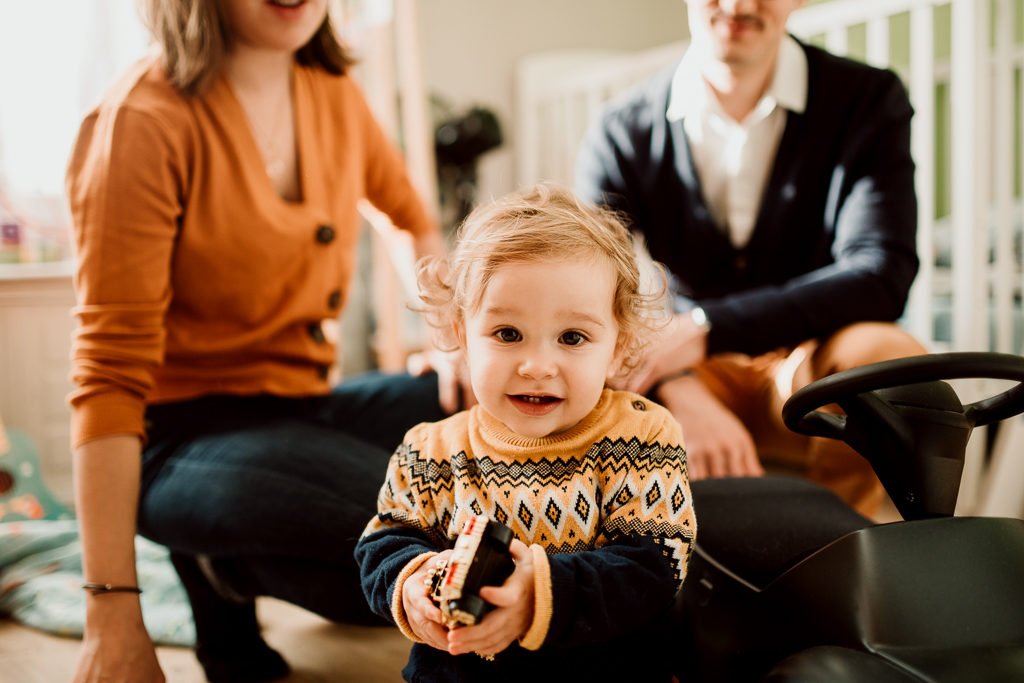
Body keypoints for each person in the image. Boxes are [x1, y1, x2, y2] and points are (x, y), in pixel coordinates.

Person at [64, 1, 455, 681]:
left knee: (520, 424)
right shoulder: (140, 121)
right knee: (424, 538)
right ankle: (218, 557)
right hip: (180, 437)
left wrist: (450, 341)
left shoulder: (333, 92)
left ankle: (229, 560)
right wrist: (111, 615)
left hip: (305, 403)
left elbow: (413, 222)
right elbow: (107, 376)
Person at [574, 0, 927, 517]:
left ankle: (846, 549)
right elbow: (587, 286)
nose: (738, 5)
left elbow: (881, 272)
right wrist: (679, 383)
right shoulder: (621, 127)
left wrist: (706, 327)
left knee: (888, 356)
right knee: (585, 361)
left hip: (817, 353)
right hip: (688, 363)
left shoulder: (867, 98)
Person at [355, 183, 696, 682]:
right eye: (508, 334)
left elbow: (653, 566)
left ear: (619, 347)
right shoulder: (429, 450)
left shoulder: (642, 437)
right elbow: (384, 543)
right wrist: (413, 583)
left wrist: (539, 594)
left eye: (572, 338)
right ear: (458, 334)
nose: (537, 366)